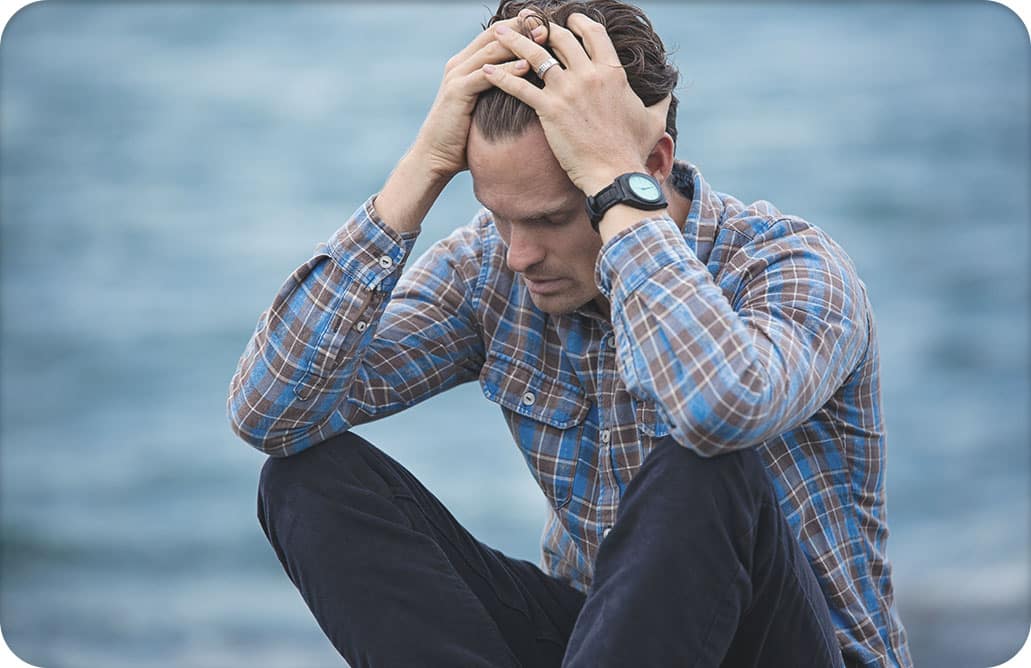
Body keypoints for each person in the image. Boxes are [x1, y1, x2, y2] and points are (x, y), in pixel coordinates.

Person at [227, 0, 912, 665]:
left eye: (552, 219)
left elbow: (716, 409)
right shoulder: (491, 270)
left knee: (701, 466)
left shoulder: (788, 267)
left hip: (788, 648)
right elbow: (271, 414)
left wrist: (617, 193)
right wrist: (420, 170)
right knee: (305, 481)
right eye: (499, 216)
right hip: (601, 639)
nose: (519, 253)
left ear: (650, 165)